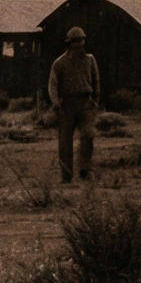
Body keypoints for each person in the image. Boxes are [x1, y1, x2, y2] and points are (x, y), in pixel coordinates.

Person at [45, 25, 100, 183]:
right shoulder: (59, 63)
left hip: (86, 103)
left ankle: (84, 170)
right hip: (67, 105)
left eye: (81, 41)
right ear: (69, 43)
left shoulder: (90, 60)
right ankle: (66, 175)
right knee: (64, 142)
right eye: (76, 42)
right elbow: (53, 85)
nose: (79, 45)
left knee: (88, 137)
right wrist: (56, 105)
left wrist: (95, 101)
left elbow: (96, 80)